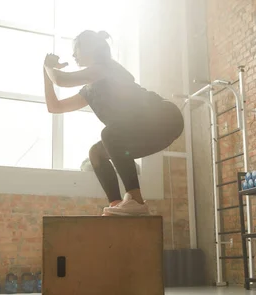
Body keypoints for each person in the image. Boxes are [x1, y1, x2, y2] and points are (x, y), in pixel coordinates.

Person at [43, 30, 184, 216]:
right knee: (96, 153)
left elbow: (61, 79)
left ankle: (136, 200)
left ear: (89, 48)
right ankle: (118, 205)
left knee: (110, 134)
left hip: (163, 117)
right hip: (144, 128)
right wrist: (46, 74)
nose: (73, 55)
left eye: (75, 49)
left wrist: (48, 67)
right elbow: (55, 107)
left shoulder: (104, 68)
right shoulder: (89, 89)